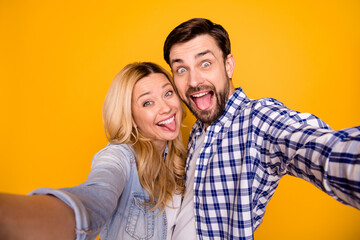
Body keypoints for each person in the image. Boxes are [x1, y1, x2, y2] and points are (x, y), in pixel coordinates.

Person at [163, 18, 360, 240]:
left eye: (205, 63)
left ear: (228, 65)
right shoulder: (198, 130)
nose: (193, 81)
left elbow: (318, 147)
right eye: (181, 69)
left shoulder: (258, 119)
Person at [0, 62, 188, 240]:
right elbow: (95, 198)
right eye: (147, 103)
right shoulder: (119, 156)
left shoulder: (179, 157)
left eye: (168, 93)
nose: (166, 108)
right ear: (130, 117)